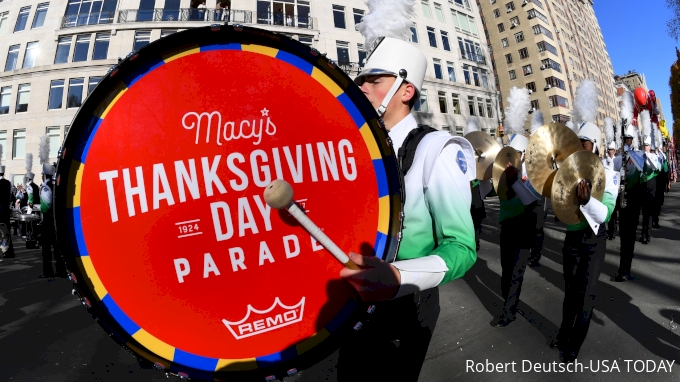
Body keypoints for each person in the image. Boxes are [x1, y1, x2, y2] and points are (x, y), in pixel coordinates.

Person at [338, 28, 476, 381]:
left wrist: (400, 276)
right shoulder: (357, 148)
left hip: (405, 311)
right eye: (361, 80)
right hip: (353, 305)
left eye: (373, 79)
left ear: (406, 90)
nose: (362, 87)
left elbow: (461, 247)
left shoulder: (437, 150)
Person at [550, 119, 617, 363]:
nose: (580, 148)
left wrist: (588, 200)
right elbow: (557, 206)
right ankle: (564, 333)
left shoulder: (610, 175)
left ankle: (575, 343)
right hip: (572, 237)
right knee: (570, 293)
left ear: (596, 146)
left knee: (586, 295)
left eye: (585, 144)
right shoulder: (569, 172)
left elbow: (606, 214)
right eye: (578, 143)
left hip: (593, 240)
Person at [490, 131, 541, 327]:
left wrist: (515, 181)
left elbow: (531, 199)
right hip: (506, 226)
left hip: (524, 226)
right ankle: (509, 303)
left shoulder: (533, 173)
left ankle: (508, 311)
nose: (511, 160)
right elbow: (490, 190)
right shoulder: (504, 171)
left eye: (516, 154)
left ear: (524, 155)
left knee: (515, 273)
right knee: (506, 270)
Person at [614, 125, 646, 282]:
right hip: (623, 201)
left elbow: (642, 166)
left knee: (631, 237)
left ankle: (626, 269)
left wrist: (629, 155)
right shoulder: (618, 159)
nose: (628, 141)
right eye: (625, 139)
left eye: (630, 139)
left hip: (634, 201)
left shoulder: (637, 155)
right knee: (625, 238)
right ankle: (622, 270)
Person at [38, 159, 66, 278]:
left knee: (46, 248)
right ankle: (61, 270)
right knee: (57, 247)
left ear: (45, 175)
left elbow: (45, 207)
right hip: (56, 221)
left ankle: (48, 271)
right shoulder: (55, 185)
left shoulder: (45, 186)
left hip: (48, 221)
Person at [638, 136, 658, 244]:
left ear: (650, 146)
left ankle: (648, 235)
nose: (646, 147)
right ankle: (643, 233)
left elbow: (655, 167)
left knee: (649, 212)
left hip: (651, 185)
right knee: (644, 212)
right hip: (643, 185)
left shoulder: (653, 156)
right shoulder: (641, 156)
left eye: (647, 145)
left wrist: (648, 158)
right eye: (644, 145)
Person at [602, 141, 621, 240]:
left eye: (612, 150)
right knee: (607, 210)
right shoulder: (604, 161)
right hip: (606, 188)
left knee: (614, 211)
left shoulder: (617, 160)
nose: (611, 152)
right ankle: (608, 231)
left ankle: (613, 231)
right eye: (609, 150)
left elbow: (618, 174)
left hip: (615, 188)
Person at [652, 141, 669, 228]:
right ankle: (653, 220)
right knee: (654, 202)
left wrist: (667, 183)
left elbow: (666, 170)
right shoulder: (655, 156)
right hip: (655, 182)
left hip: (661, 183)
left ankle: (656, 219)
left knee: (659, 203)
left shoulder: (663, 156)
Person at [0, 167, 15, 258]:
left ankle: (3, 250)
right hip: (5, 210)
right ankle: (9, 252)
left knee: (1, 232)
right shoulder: (8, 183)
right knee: (7, 231)